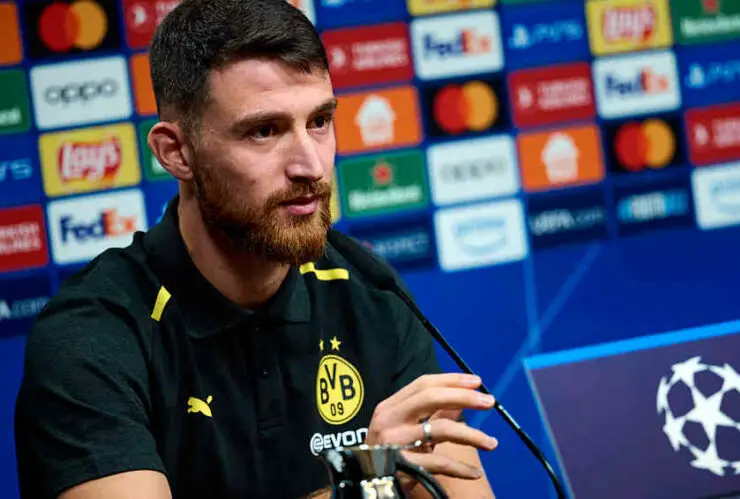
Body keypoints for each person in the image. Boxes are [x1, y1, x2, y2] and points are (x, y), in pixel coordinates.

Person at [14, 0, 499, 497]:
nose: (310, 165)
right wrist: (363, 484)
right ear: (176, 152)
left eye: (319, 121)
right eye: (264, 131)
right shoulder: (91, 336)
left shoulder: (372, 291)